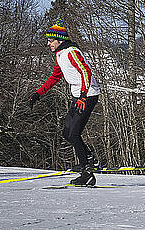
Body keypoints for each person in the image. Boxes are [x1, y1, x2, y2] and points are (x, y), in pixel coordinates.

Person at [28, 18, 101, 186]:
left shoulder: (71, 52)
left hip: (88, 95)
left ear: (59, 40)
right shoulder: (59, 55)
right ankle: (88, 160)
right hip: (79, 96)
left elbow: (86, 72)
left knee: (74, 134)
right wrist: (37, 94)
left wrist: (83, 95)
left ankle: (87, 170)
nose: (48, 43)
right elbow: (55, 77)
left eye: (51, 40)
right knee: (67, 133)